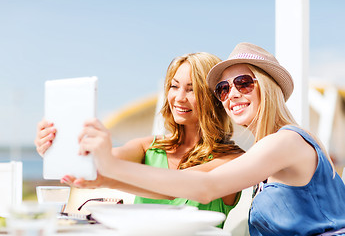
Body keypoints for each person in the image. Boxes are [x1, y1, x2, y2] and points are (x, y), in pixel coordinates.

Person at [79, 42, 345, 235]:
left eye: (243, 82)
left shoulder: (285, 142)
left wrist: (111, 168)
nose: (232, 94)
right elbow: (177, 189)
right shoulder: (268, 152)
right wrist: (101, 175)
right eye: (223, 88)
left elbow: (206, 186)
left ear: (267, 86)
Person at [34, 52, 245, 228]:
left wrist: (107, 177)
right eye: (174, 86)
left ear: (214, 97)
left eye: (192, 89)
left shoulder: (233, 159)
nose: (179, 97)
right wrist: (59, 148)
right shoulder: (148, 147)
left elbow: (175, 188)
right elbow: (100, 162)